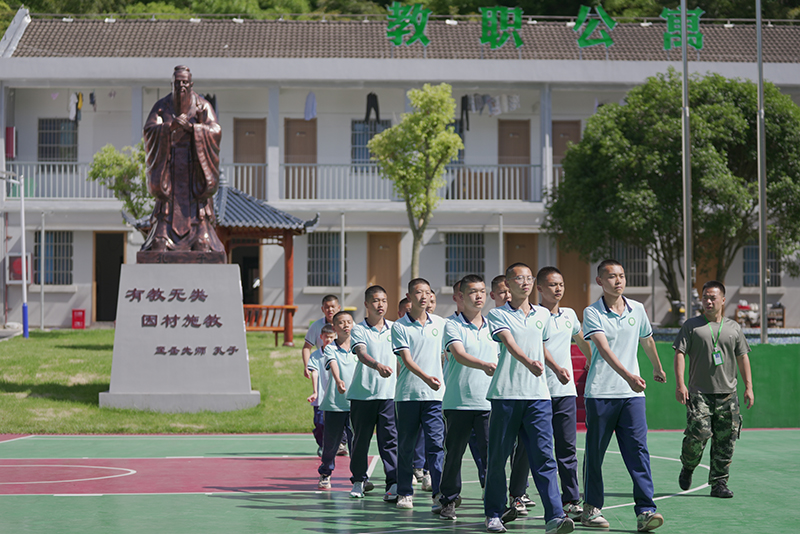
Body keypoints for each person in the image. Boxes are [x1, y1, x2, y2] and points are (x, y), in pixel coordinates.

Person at [484, 263, 574, 534]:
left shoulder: (543, 314)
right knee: (498, 458)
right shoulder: (497, 314)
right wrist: (528, 362)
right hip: (506, 396)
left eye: (528, 278)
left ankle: (555, 517)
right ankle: (494, 514)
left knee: (545, 458)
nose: (524, 282)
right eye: (518, 278)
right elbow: (509, 342)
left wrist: (556, 368)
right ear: (508, 284)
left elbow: (541, 346)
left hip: (538, 398)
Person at [581, 259, 666, 532]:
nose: (618, 280)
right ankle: (591, 508)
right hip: (601, 393)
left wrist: (656, 366)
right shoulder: (592, 312)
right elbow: (604, 350)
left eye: (621, 275)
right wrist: (628, 376)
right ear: (600, 281)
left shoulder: (637, 309)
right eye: (611, 276)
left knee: (638, 452)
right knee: (595, 454)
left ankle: (645, 511)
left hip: (632, 397)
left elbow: (647, 339)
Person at [673, 280, 754, 499]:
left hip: (728, 394)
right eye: (705, 298)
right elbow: (679, 353)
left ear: (723, 300)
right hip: (699, 393)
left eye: (713, 298)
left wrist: (748, 387)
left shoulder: (733, 327)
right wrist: (680, 384)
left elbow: (743, 357)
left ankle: (719, 483)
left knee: (726, 440)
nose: (708, 302)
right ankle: (688, 465)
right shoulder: (691, 326)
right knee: (698, 433)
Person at [141, 65, 224, 254]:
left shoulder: (203, 106)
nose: (181, 87)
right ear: (172, 84)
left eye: (185, 82)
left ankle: (200, 232)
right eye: (177, 83)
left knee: (202, 245)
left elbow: (216, 130)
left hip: (194, 168)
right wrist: (169, 127)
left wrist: (195, 129)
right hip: (169, 168)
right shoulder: (162, 106)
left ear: (191, 84)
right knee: (159, 244)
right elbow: (149, 130)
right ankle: (163, 233)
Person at [438, 275, 497, 520]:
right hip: (458, 402)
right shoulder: (451, 325)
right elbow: (459, 354)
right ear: (460, 296)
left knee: (491, 456)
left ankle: (494, 501)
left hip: (488, 402)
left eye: (482, 291)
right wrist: (484, 365)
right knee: (454, 455)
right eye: (473, 291)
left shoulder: (494, 325)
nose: (479, 296)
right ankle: (448, 499)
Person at [537, 266, 593, 520]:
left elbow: (580, 339)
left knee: (567, 449)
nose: (558, 288)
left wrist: (592, 359)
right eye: (552, 284)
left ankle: (570, 499)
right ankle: (518, 495)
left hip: (565, 393)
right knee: (533, 450)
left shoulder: (569, 314)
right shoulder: (534, 315)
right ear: (540, 288)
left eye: (560, 284)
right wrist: (555, 368)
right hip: (537, 393)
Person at [391, 278, 446, 511]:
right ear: (409, 297)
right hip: (408, 396)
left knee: (436, 446)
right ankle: (404, 492)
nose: (424, 296)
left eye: (427, 292)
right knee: (406, 446)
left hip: (435, 397)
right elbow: (406, 359)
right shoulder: (399, 326)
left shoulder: (441, 324)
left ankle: (439, 495)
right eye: (418, 292)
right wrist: (427, 378)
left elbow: (449, 353)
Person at [348, 286, 398, 501]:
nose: (380, 305)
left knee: (390, 441)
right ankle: (359, 480)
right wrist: (377, 365)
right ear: (367, 304)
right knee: (361, 441)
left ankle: (393, 483)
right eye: (376, 301)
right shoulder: (358, 330)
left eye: (384, 300)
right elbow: (361, 353)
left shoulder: (395, 328)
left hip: (389, 395)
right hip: (363, 395)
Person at [318, 311, 356, 489]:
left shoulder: (359, 347)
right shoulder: (330, 348)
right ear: (334, 327)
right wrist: (339, 380)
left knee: (356, 443)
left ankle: (360, 477)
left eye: (349, 322)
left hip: (355, 403)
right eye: (341, 322)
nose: (346, 325)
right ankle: (325, 472)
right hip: (334, 404)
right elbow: (333, 364)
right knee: (331, 443)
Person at [307, 324, 337, 456]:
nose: (329, 340)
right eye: (326, 337)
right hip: (321, 397)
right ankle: (322, 445)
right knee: (319, 423)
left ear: (335, 337)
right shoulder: (315, 355)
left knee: (337, 424)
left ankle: (338, 445)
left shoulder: (338, 353)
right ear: (321, 337)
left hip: (336, 396)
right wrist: (315, 391)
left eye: (331, 337)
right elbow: (314, 372)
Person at [302, 296, 341, 378]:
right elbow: (307, 347)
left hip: (342, 365)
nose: (330, 309)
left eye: (333, 307)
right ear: (322, 309)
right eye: (327, 307)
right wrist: (307, 366)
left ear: (339, 308)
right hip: (323, 367)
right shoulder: (316, 326)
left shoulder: (347, 324)